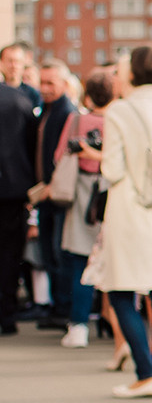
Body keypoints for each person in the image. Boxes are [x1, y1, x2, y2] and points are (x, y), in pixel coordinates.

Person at [95, 44, 152, 397]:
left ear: (133, 73)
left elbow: (112, 167)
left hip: (128, 209)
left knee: (121, 292)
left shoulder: (120, 110)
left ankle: (146, 372)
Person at [55, 68, 113, 348]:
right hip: (111, 191)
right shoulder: (117, 120)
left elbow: (60, 155)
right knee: (112, 259)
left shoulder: (76, 120)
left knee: (80, 259)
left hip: (81, 191)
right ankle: (113, 321)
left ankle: (79, 325)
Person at [33, 61, 77, 330]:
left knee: (60, 252)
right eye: (43, 82)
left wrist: (52, 184)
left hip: (58, 193)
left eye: (51, 83)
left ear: (63, 84)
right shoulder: (46, 111)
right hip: (46, 193)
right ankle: (57, 306)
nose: (45, 88)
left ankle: (63, 308)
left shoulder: (66, 112)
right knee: (49, 251)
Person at [0, 56, 35, 335]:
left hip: (12, 187)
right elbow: (33, 145)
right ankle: (7, 313)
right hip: (14, 189)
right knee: (10, 253)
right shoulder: (20, 100)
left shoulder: (18, 99)